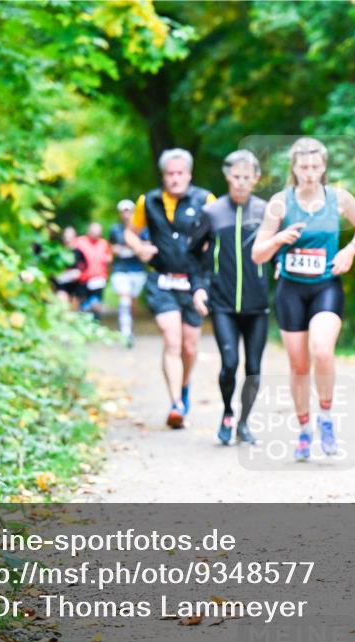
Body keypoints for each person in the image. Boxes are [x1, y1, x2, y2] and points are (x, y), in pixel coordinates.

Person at [251, 138, 355, 462]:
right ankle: (304, 431)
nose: (310, 173)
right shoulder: (280, 203)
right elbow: (258, 254)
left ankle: (326, 418)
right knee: (299, 366)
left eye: (316, 167)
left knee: (322, 350)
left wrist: (350, 249)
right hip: (291, 290)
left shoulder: (339, 198)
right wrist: (279, 238)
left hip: (326, 286)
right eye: (304, 167)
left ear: (324, 167)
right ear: (294, 169)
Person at [125, 148, 216, 429]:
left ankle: (184, 387)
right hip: (161, 279)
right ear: (163, 176)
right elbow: (131, 231)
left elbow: (218, 237)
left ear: (189, 174)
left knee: (189, 346)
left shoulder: (205, 200)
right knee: (171, 339)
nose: (175, 179)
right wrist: (139, 247)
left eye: (180, 173)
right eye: (170, 174)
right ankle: (176, 403)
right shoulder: (148, 201)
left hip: (194, 281)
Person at [188, 150, 270, 445]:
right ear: (227, 177)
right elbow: (192, 254)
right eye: (236, 177)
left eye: (247, 177)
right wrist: (198, 287)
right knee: (230, 362)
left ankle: (244, 422)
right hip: (222, 303)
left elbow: (282, 248)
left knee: (254, 369)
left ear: (256, 179)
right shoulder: (212, 213)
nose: (240, 183)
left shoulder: (266, 212)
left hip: (258, 305)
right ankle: (226, 413)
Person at [108, 199, 149, 348]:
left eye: (129, 211)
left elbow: (147, 247)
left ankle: (130, 327)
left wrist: (136, 248)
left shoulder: (143, 230)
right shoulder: (115, 230)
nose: (126, 214)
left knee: (133, 302)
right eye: (123, 211)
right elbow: (112, 248)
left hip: (137, 270)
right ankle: (125, 332)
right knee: (124, 298)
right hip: (120, 270)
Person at [74, 222, 113, 321]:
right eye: (93, 232)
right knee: (82, 304)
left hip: (98, 279)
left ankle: (96, 323)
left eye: (98, 232)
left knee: (95, 303)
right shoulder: (79, 242)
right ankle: (83, 323)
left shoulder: (104, 243)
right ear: (88, 231)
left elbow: (110, 258)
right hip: (82, 279)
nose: (95, 234)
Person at [51, 226, 82, 308]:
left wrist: (77, 273)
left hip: (75, 287)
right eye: (66, 237)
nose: (68, 240)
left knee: (73, 309)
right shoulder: (57, 251)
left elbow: (84, 267)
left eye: (70, 237)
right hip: (60, 285)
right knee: (62, 304)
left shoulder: (78, 252)